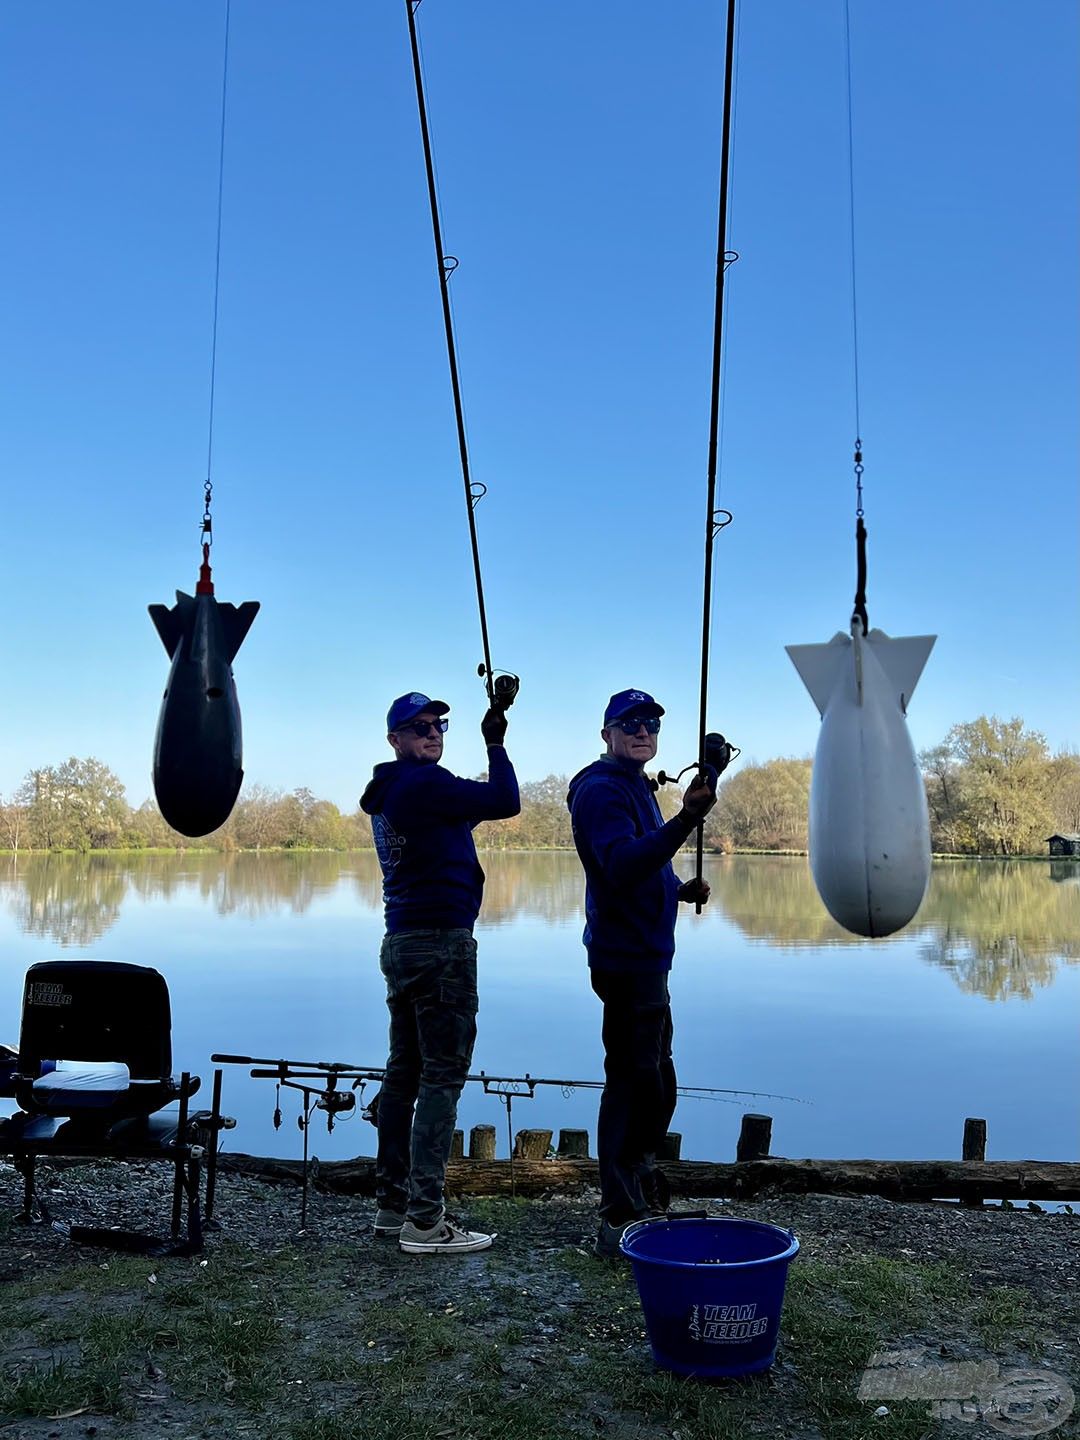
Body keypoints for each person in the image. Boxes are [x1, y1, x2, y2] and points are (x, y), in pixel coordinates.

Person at [359, 691, 520, 1255]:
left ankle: (392, 1204)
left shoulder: (396, 792)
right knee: (441, 1077)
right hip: (441, 946)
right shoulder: (424, 784)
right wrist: (495, 742)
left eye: (439, 725)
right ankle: (426, 1222)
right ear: (395, 739)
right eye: (419, 726)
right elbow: (506, 799)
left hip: (401, 942)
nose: (433, 732)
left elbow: (471, 808)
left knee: (403, 1072)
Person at [566, 688, 717, 1258]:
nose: (643, 730)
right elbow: (619, 865)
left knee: (656, 1079)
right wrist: (685, 819)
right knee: (633, 1084)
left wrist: (676, 889)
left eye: (652, 723)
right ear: (606, 732)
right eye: (630, 722)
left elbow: (643, 866)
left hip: (648, 954)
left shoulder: (635, 786)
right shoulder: (601, 790)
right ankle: (619, 1216)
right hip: (625, 959)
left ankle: (642, 1197)